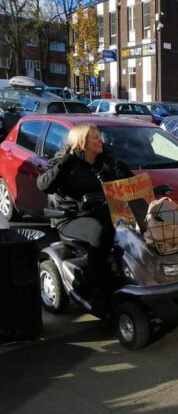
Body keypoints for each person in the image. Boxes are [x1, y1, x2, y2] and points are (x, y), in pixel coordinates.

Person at [36, 123, 133, 309]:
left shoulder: (105, 161)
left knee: (130, 228)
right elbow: (43, 185)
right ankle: (97, 288)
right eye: (95, 137)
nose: (100, 141)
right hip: (72, 218)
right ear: (83, 141)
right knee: (100, 231)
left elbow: (126, 183)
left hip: (102, 213)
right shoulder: (66, 162)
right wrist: (66, 161)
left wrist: (123, 173)